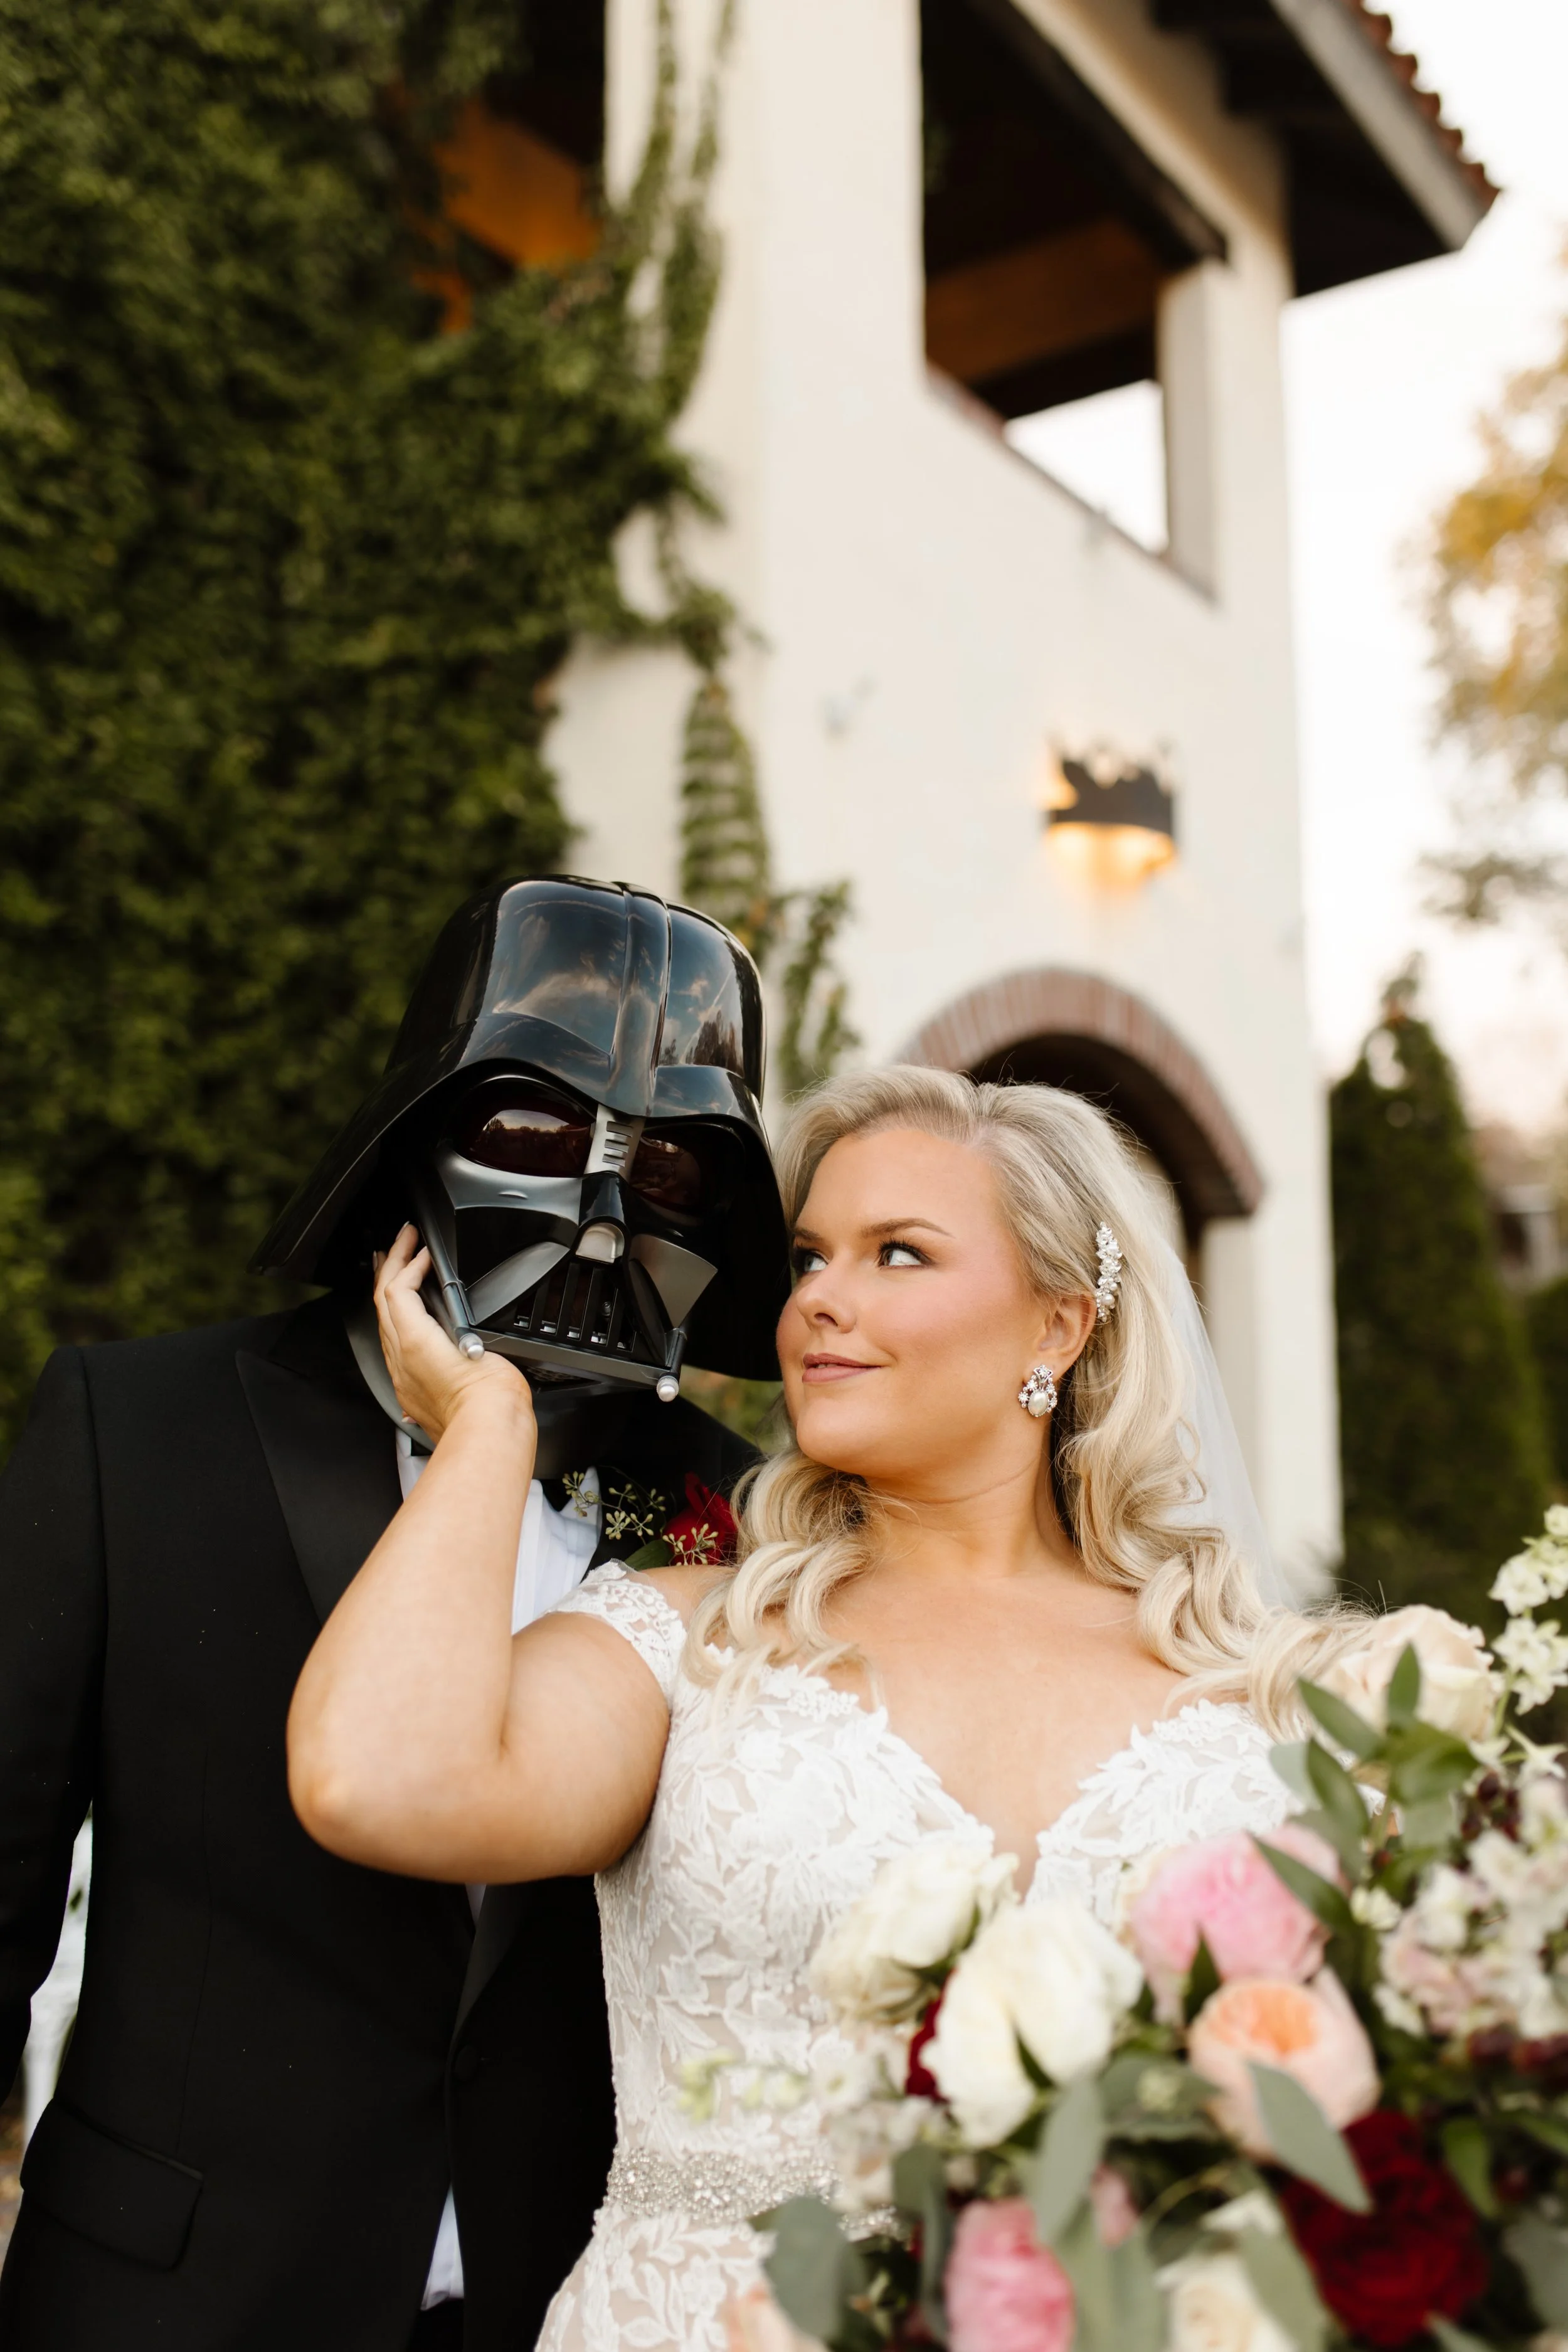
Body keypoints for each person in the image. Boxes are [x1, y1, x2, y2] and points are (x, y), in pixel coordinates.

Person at [288, 1065, 1350, 2352]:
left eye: (898, 1252)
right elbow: (375, 1777)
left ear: (1057, 1327)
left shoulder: (1257, 1690)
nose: (817, 1302)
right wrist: (484, 1434)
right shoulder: (688, 1640)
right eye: (807, 1258)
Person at [0, 876, 785, 2352]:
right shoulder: (138, 1431)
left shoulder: (749, 1526)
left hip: (564, 2309)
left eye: (671, 1166)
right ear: (416, 1134)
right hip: (172, 2304)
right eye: (537, 1134)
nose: (602, 1219)